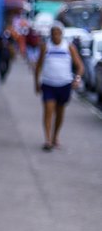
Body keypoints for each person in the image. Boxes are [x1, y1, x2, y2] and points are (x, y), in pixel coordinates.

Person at [34, 21, 84, 151]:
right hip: (48, 84)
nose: (55, 36)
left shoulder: (69, 47)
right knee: (48, 111)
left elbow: (80, 66)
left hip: (64, 84)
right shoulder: (46, 47)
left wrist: (77, 79)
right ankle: (47, 140)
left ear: (62, 34)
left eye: (58, 33)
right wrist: (36, 83)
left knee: (60, 113)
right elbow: (38, 66)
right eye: (53, 33)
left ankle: (55, 136)